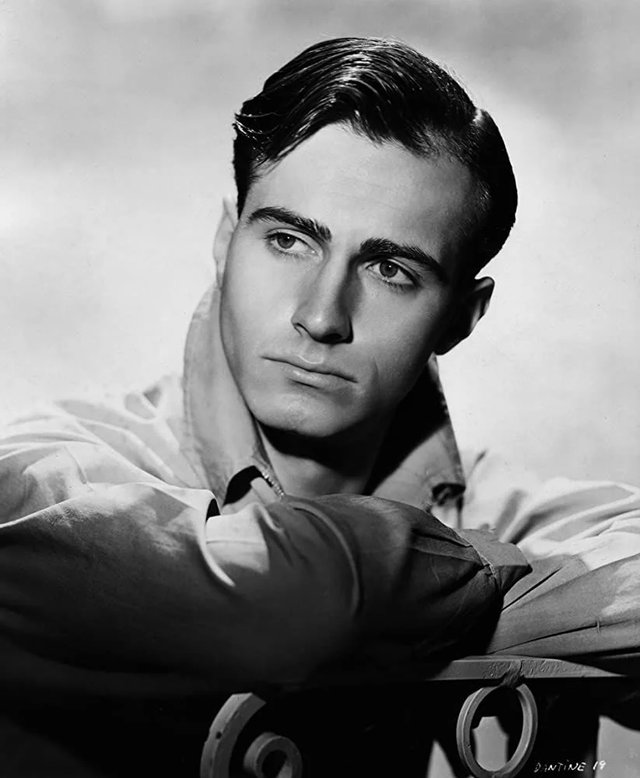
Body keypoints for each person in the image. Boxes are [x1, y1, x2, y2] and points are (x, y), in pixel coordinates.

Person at [0, 36, 638, 777]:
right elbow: (283, 603)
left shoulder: (488, 508)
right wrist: (456, 578)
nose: (322, 315)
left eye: (391, 269)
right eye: (289, 240)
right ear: (225, 241)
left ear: (462, 317)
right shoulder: (55, 468)